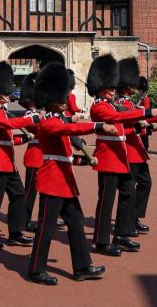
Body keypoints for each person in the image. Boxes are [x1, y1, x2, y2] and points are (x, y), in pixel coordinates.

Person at [27, 62, 112, 285]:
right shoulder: (47, 123)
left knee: (75, 222)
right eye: (61, 99)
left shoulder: (58, 119)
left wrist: (82, 160)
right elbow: (68, 129)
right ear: (50, 99)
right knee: (46, 227)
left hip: (64, 181)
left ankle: (82, 267)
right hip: (52, 181)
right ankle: (36, 269)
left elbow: (64, 154)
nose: (66, 103)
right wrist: (97, 126)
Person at [88, 54, 157, 256]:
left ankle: (122, 233)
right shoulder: (99, 107)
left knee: (128, 194)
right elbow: (118, 117)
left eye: (113, 87)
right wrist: (147, 113)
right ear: (100, 87)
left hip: (120, 158)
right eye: (109, 87)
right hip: (108, 158)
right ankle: (102, 241)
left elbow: (125, 122)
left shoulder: (111, 104)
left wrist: (149, 121)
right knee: (106, 201)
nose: (113, 90)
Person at [0, 61, 41, 250]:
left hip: (8, 162)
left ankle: (15, 232)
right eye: (5, 93)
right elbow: (9, 127)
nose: (8, 96)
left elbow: (9, 139)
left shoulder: (4, 112)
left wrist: (24, 139)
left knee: (19, 195)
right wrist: (30, 118)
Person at [118, 59, 157, 237]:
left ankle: (134, 216)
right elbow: (129, 120)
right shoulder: (121, 104)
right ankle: (128, 221)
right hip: (129, 152)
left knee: (145, 183)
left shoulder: (129, 103)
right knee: (129, 188)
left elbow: (138, 117)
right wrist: (146, 121)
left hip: (137, 151)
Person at [19, 73, 43, 232]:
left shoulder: (41, 113)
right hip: (35, 156)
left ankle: (44, 218)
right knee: (30, 193)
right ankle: (24, 220)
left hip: (44, 156)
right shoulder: (29, 114)